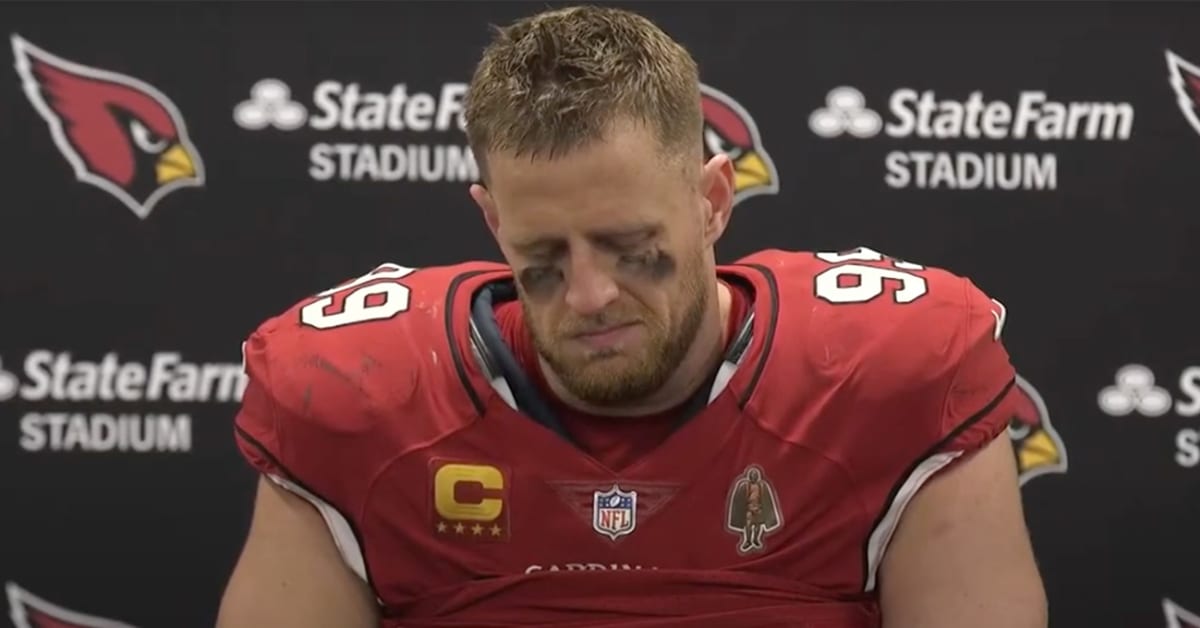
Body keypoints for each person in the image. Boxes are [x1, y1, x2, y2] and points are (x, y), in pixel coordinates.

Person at [216, 6, 1047, 627]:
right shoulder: (350, 389)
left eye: (628, 245)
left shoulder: (896, 370)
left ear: (714, 200)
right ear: (492, 225)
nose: (586, 295)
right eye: (544, 252)